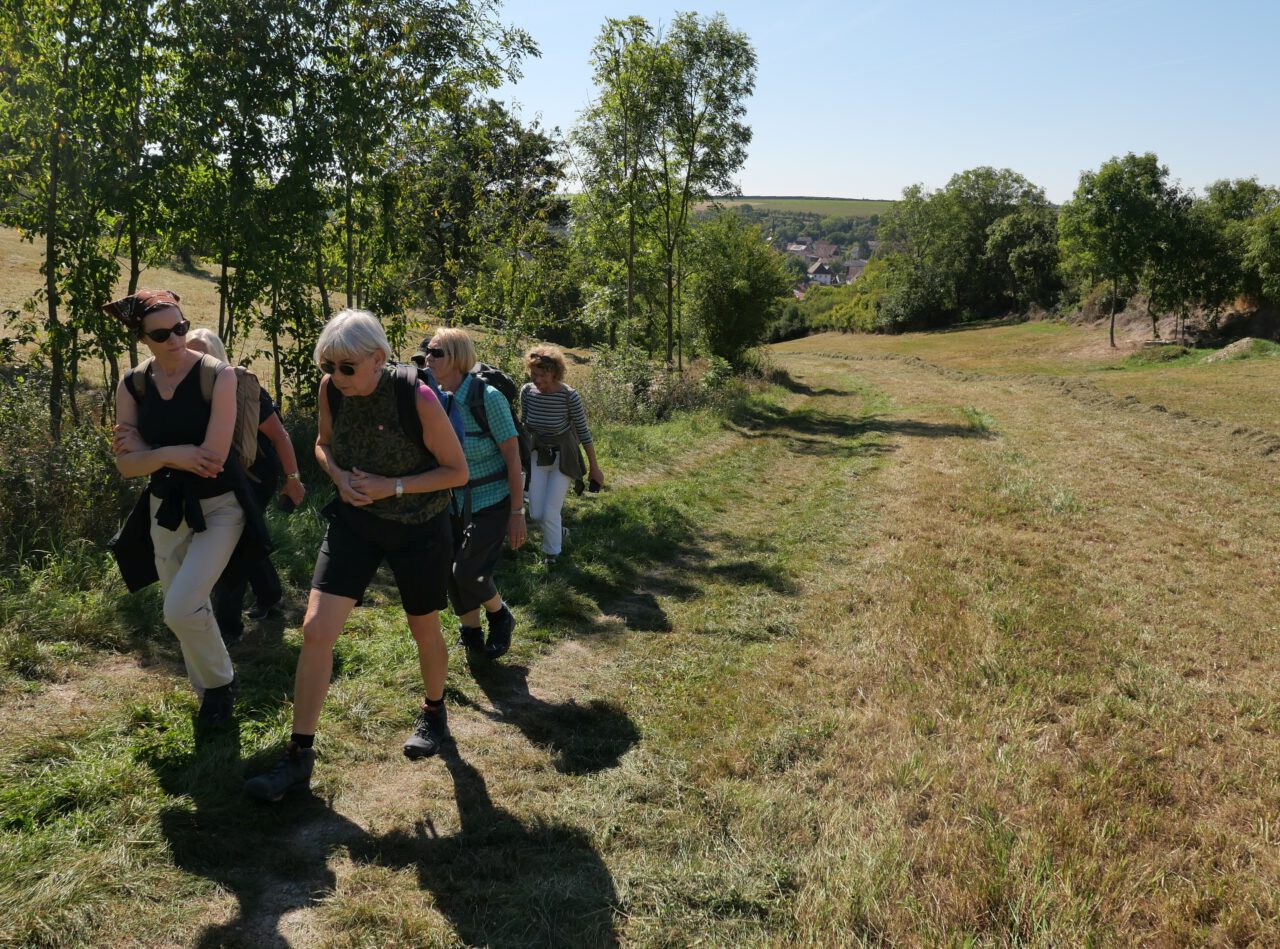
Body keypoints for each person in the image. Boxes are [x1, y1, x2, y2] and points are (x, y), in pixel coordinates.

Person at [244, 309, 468, 802]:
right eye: (329, 367)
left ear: (378, 359)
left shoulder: (419, 397)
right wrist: (340, 478)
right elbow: (323, 446)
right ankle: (299, 756)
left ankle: (434, 713)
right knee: (315, 628)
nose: (336, 378)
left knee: (423, 625)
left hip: (419, 527)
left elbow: (457, 472)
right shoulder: (331, 392)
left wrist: (396, 485)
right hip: (357, 523)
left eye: (347, 368)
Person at [106, 289, 246, 722]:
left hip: (220, 507)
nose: (175, 339)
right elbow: (126, 468)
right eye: (162, 333)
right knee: (185, 608)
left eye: (181, 327)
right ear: (143, 339)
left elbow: (212, 459)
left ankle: (220, 685)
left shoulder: (218, 375)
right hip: (164, 508)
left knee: (181, 606)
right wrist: (169, 455)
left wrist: (148, 450)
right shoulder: (132, 383)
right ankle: (212, 695)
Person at [184, 329, 306, 642]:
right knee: (246, 536)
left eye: (201, 353)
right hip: (219, 476)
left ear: (216, 355)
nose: (194, 360)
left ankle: (227, 629)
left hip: (254, 476)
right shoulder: (182, 389)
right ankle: (270, 596)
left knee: (234, 549)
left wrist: (293, 480)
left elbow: (279, 436)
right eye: (189, 352)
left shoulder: (240, 388)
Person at [420, 328, 525, 659]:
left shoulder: (488, 398)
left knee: (466, 571)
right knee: (451, 571)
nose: (427, 359)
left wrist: (517, 513)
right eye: (426, 352)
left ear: (456, 358)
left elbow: (513, 456)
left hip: (492, 498)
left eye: (436, 353)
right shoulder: (430, 396)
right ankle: (471, 632)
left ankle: (500, 614)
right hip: (451, 500)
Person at [520, 345, 604, 564]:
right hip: (538, 454)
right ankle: (559, 532)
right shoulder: (527, 392)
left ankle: (552, 554)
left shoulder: (568, 396)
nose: (536, 379)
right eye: (533, 373)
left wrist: (595, 468)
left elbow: (584, 433)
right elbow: (524, 425)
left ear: (555, 373)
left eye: (542, 374)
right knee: (536, 513)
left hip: (563, 456)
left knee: (550, 510)